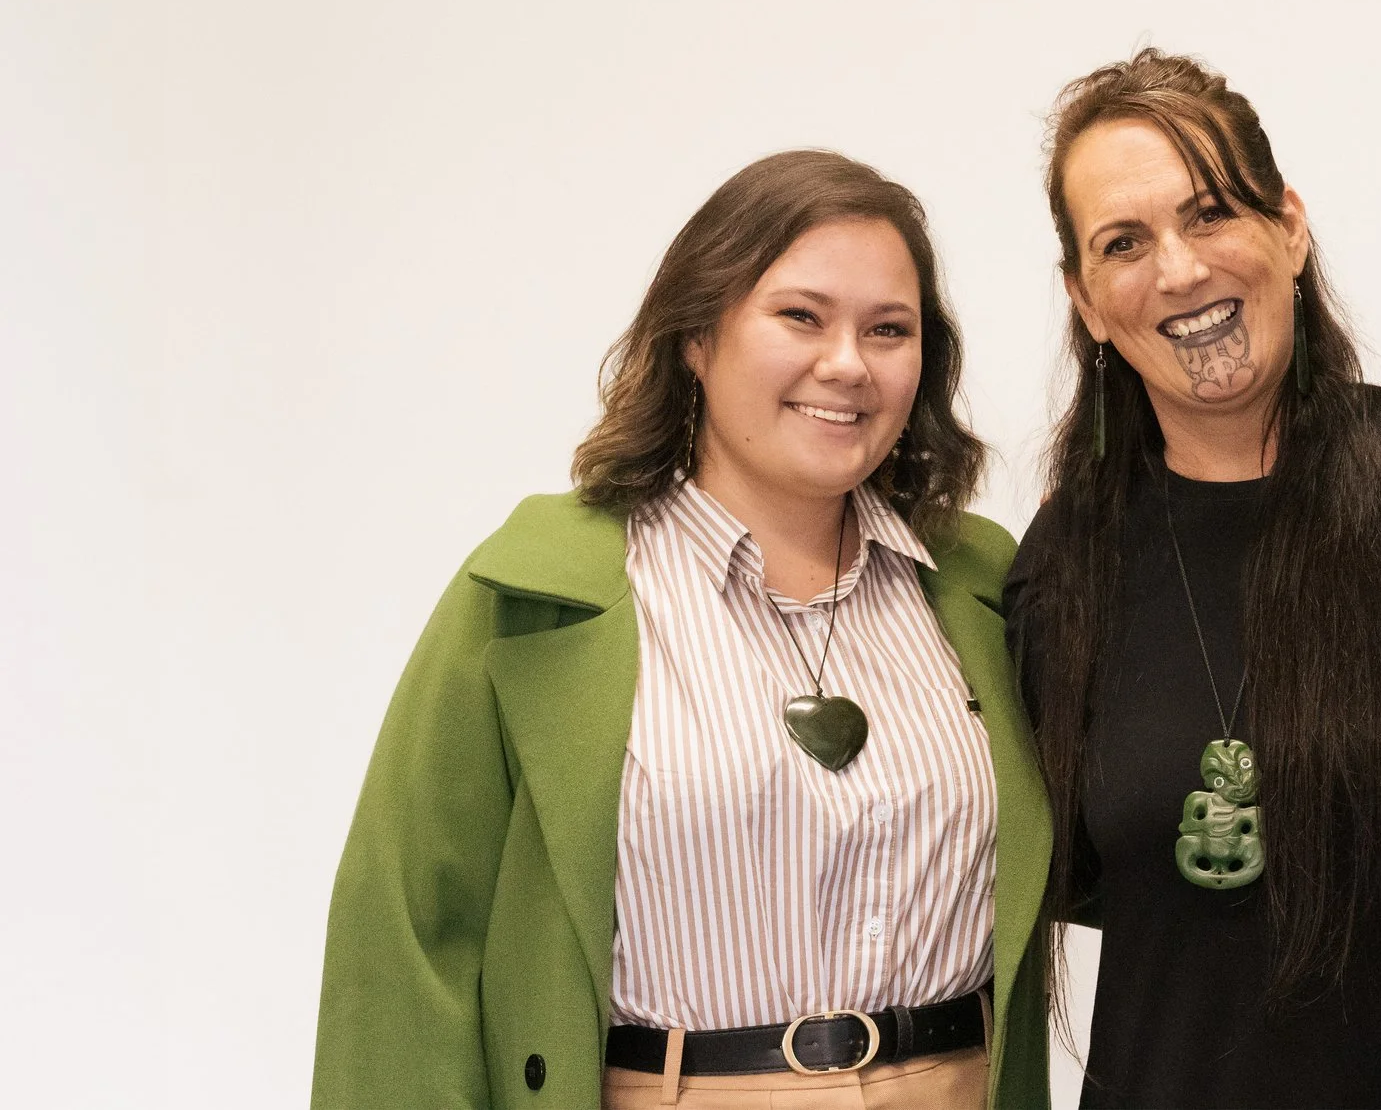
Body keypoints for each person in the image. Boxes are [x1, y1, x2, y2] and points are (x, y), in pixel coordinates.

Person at [314, 151, 1051, 1110]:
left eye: (889, 329)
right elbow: (409, 939)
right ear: (697, 336)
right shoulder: (536, 594)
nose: (848, 363)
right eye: (801, 315)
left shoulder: (983, 588)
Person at [1007, 49, 1381, 1109]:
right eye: (1124, 242)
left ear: (1289, 225)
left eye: (1210, 213)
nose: (1180, 269)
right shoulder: (1063, 571)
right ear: (1087, 300)